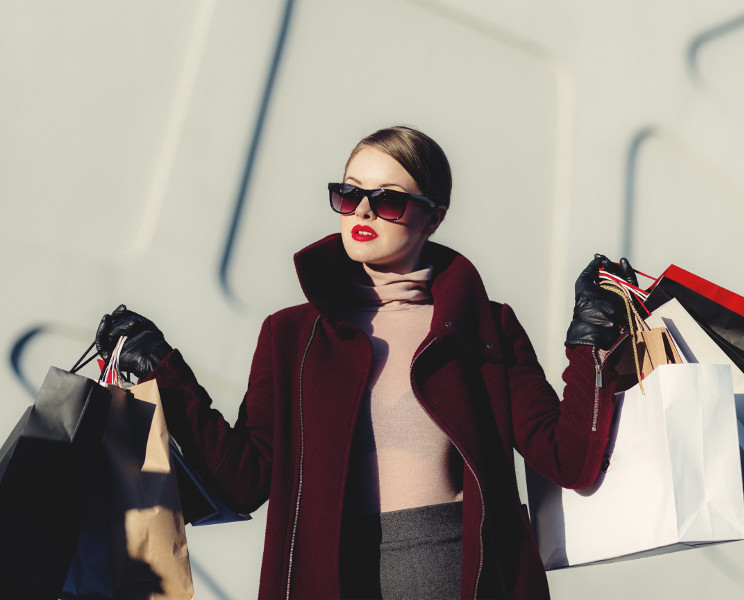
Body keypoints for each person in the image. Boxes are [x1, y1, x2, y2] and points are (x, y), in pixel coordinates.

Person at [95, 126, 638, 599]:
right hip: (328, 579)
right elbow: (243, 480)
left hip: (463, 579)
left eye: (389, 201)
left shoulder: (485, 327)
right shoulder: (291, 335)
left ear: (434, 217)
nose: (361, 212)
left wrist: (590, 340)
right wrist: (162, 369)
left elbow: (568, 458)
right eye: (348, 193)